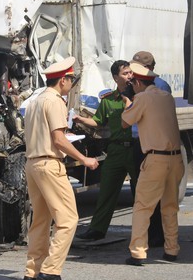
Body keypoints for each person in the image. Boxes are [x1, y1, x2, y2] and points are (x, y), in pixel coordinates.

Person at [22, 56, 99, 280]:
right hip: (49, 164)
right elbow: (58, 139)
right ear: (63, 80)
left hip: (33, 163)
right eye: (71, 80)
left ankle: (32, 272)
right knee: (68, 219)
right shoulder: (55, 101)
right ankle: (50, 271)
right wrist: (84, 158)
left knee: (41, 220)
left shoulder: (34, 101)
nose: (71, 85)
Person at [121, 62, 184, 266]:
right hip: (175, 158)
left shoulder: (142, 98)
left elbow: (125, 122)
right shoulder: (166, 97)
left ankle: (138, 252)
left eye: (132, 82)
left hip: (155, 158)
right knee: (170, 206)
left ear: (138, 82)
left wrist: (127, 102)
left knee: (142, 206)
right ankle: (171, 250)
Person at [74, 60, 138, 241]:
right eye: (125, 73)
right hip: (116, 150)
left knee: (142, 193)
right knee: (106, 191)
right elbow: (98, 122)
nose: (130, 76)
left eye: (131, 73)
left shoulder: (139, 96)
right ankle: (97, 230)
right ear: (116, 77)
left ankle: (149, 232)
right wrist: (80, 120)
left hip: (136, 149)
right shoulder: (109, 100)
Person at [130, 51, 171, 247]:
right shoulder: (139, 87)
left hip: (150, 146)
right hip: (143, 143)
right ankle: (154, 237)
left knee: (149, 195)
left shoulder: (155, 88)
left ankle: (153, 237)